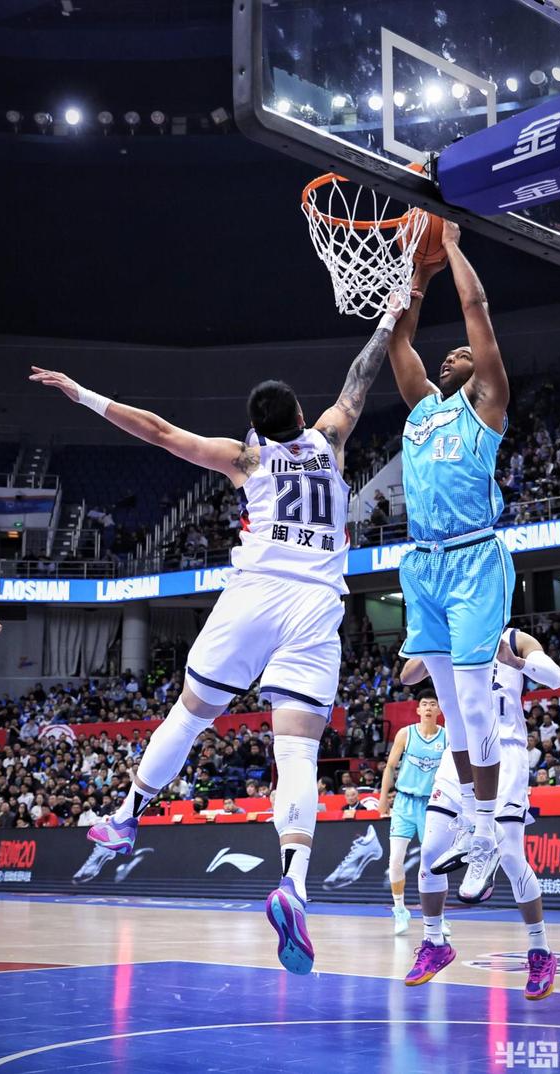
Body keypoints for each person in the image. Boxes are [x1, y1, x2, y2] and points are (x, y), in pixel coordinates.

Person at [29, 294, 403, 976]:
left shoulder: (246, 459)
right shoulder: (331, 438)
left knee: (191, 713)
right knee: (297, 752)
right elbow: (361, 376)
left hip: (254, 596)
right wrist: (391, 314)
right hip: (317, 605)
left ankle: (127, 815)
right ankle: (293, 882)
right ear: (300, 415)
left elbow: (158, 431)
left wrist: (80, 393)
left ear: (257, 427)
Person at [388, 221, 515, 902]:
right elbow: (399, 341)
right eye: (448, 355)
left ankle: (488, 832)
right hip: (423, 567)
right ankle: (471, 818)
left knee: (470, 699)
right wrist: (418, 272)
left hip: (474, 559)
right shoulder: (422, 412)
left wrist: (454, 246)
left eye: (461, 354)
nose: (451, 356)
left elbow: (476, 310)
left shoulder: (486, 406)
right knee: (455, 710)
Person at [402, 627, 560, 1000]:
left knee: (511, 857)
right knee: (431, 852)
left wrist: (515, 661)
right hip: (459, 752)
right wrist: (435, 638)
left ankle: (540, 950)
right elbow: (407, 676)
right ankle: (434, 941)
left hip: (505, 751)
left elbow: (555, 678)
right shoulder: (450, 632)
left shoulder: (513, 638)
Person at [378, 689, 447, 935]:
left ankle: (438, 916)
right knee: (395, 859)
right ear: (418, 709)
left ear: (439, 710)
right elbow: (390, 767)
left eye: (433, 704)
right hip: (404, 802)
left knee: (434, 862)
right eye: (424, 704)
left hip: (432, 804)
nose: (428, 707)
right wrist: (383, 798)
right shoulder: (405, 734)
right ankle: (400, 910)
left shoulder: (447, 737)